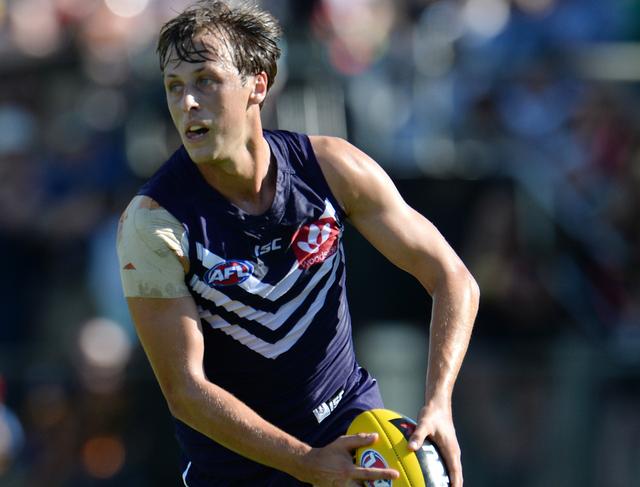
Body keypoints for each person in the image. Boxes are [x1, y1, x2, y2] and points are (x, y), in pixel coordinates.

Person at [116, 1, 479, 485]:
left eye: (206, 80)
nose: (188, 104)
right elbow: (186, 390)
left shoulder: (330, 168)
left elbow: (453, 278)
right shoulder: (154, 223)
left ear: (258, 85)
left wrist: (439, 402)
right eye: (174, 87)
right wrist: (305, 462)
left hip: (353, 432)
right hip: (239, 471)